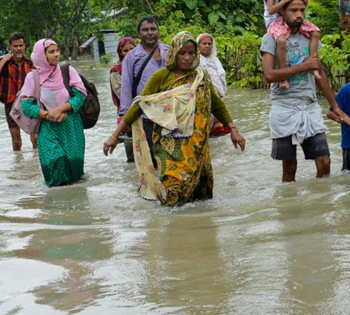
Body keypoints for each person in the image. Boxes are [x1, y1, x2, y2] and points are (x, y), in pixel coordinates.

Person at [103, 32, 246, 206]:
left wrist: (233, 130)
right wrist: (114, 136)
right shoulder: (161, 77)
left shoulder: (201, 77)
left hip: (198, 147)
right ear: (173, 53)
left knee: (201, 199)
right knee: (175, 197)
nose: (187, 58)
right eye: (182, 53)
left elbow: (217, 105)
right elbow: (139, 105)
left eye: (191, 53)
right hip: (169, 148)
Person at [260, 0, 348, 182]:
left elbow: (319, 72)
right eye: (293, 10)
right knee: (289, 168)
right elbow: (269, 75)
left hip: (309, 106)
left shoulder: (309, 36)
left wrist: (336, 107)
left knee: (324, 162)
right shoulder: (271, 38)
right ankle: (292, 209)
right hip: (283, 108)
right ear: (282, 11)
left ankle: (320, 208)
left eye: (302, 10)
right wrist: (303, 66)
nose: (299, 15)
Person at [21, 39, 87, 187]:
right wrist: (47, 115)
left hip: (71, 124)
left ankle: (75, 205)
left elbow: (80, 97)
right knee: (54, 162)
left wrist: (60, 109)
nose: (56, 55)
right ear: (41, 55)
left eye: (57, 50)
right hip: (48, 126)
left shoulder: (68, 71)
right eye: (51, 52)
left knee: (74, 164)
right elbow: (26, 105)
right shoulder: (33, 77)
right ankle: (55, 206)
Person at [263, 0, 321, 88]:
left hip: (288, 19)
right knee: (282, 41)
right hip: (275, 21)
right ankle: (283, 77)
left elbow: (296, 2)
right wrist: (284, 0)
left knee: (315, 32)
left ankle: (313, 63)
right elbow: (271, 10)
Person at [119, 17, 170, 155]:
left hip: (171, 112)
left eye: (153, 29)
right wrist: (125, 116)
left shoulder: (169, 51)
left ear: (158, 31)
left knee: (172, 156)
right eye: (145, 30)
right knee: (151, 157)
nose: (150, 32)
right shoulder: (132, 56)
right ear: (138, 33)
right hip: (146, 115)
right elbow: (126, 86)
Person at [0, 32, 38, 151]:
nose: (18, 49)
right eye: (15, 46)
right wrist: (4, 60)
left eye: (21, 46)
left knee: (35, 138)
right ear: (10, 47)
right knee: (16, 142)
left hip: (29, 103)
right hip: (11, 105)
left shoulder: (31, 64)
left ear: (25, 46)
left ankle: (36, 162)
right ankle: (18, 162)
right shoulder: (3, 63)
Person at [109, 36, 137, 162]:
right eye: (126, 51)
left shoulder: (145, 66)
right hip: (127, 115)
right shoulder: (116, 72)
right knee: (132, 157)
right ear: (120, 53)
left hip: (146, 111)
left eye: (133, 49)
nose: (130, 53)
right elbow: (121, 93)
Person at [197, 33, 229, 138]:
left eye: (209, 44)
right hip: (204, 100)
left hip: (218, 100)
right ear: (198, 45)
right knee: (204, 131)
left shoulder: (215, 61)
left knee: (218, 135)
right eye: (204, 43)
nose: (207, 46)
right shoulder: (196, 61)